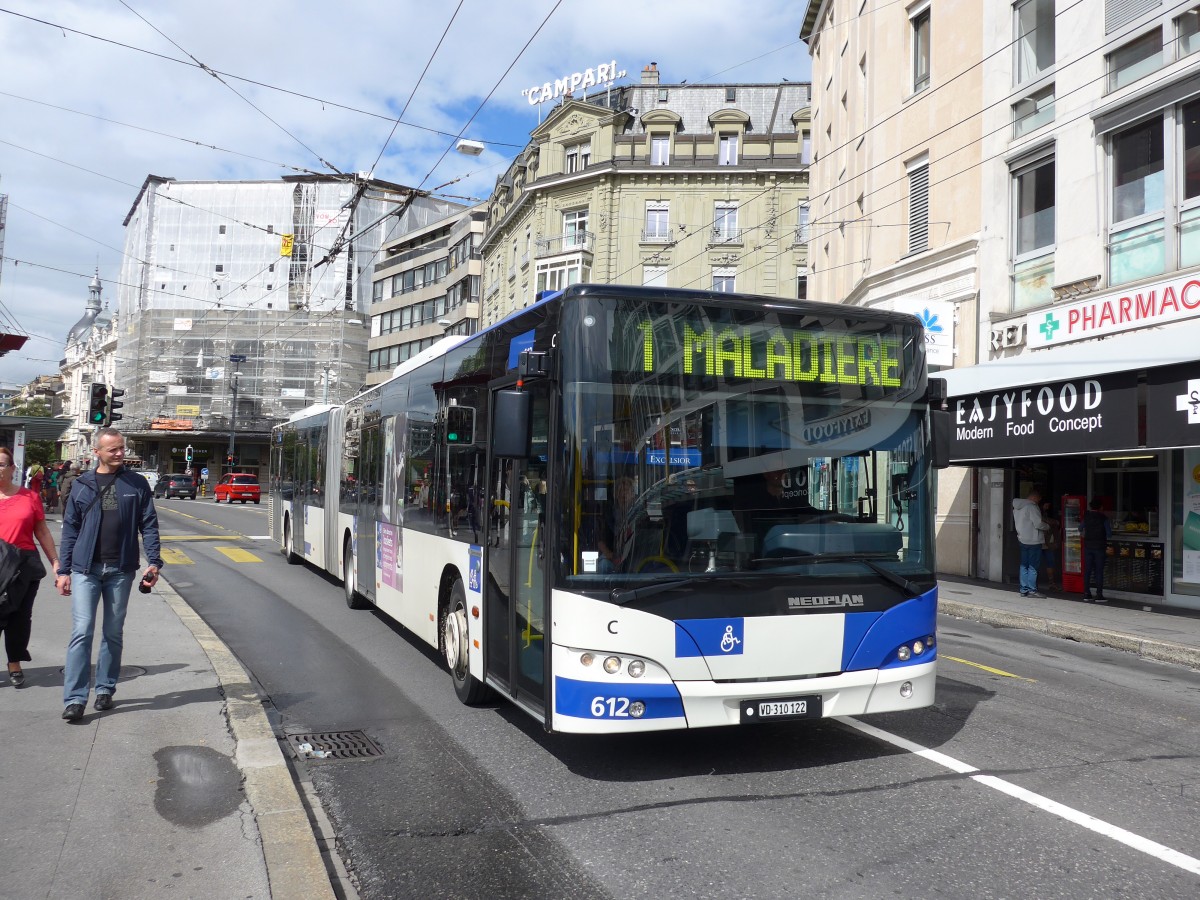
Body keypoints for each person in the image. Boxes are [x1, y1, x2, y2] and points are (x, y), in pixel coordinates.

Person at [55, 428, 164, 721]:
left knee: (112, 633)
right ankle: (75, 699)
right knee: (82, 632)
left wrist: (154, 562)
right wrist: (63, 570)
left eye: (121, 448)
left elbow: (149, 525)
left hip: (121, 569)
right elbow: (71, 531)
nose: (119, 453)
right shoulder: (82, 484)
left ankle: (105, 689)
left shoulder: (137, 483)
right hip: (85, 569)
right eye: (113, 449)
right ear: (97, 452)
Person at [0, 446, 61, 687]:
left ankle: (14, 662)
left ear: (13, 469)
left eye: (3, 464)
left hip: (23, 565)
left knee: (20, 617)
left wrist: (55, 562)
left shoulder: (29, 497)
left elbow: (42, 532)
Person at [1012, 489, 1048, 598]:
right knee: (1033, 566)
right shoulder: (1032, 507)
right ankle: (1032, 590)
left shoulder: (1017, 506)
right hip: (1033, 540)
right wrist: (1047, 526)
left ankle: (1023, 589)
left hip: (1022, 539)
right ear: (1034, 498)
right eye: (1038, 499)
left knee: (1024, 565)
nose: (1038, 501)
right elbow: (1038, 524)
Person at [1080, 498, 1112, 603]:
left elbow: (1080, 528)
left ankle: (1086, 594)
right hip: (1099, 547)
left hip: (1088, 547)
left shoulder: (1086, 517)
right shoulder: (1104, 518)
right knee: (1099, 571)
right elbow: (1109, 534)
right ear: (1101, 507)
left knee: (1087, 570)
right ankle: (1099, 595)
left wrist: (1085, 534)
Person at [1040, 499, 1061, 591]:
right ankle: (1051, 583)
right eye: (1046, 505)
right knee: (1049, 562)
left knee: (1049, 562)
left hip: (1043, 542)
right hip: (1044, 542)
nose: (1047, 507)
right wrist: (1055, 522)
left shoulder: (1043, 513)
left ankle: (1051, 583)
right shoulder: (1039, 513)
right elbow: (1043, 520)